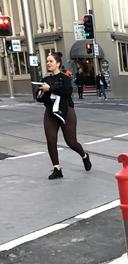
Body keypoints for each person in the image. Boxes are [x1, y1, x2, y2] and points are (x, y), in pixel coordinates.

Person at [37, 52, 91, 180]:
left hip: (66, 111)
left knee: (71, 142)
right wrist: (40, 94)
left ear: (58, 64)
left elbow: (67, 92)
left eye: (51, 61)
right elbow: (41, 99)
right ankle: (57, 168)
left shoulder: (65, 77)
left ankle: (84, 155)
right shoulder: (45, 80)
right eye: (47, 61)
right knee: (51, 140)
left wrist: (50, 89)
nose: (48, 63)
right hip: (50, 112)